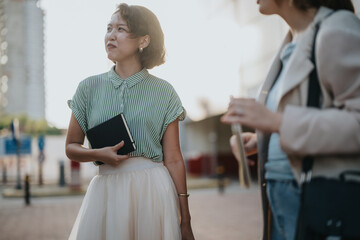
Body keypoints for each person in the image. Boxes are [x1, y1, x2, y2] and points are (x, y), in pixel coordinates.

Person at [222, 0, 360, 239]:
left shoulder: (337, 28)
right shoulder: (291, 41)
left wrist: (278, 123)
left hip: (321, 200)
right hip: (281, 198)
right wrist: (261, 140)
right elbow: (309, 110)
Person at [66, 3, 195, 240]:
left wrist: (185, 220)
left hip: (153, 190)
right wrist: (100, 154)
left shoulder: (164, 91)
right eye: (108, 28)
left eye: (121, 29)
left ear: (143, 41)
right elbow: (71, 147)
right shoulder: (87, 88)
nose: (111, 35)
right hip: (105, 191)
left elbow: (174, 159)